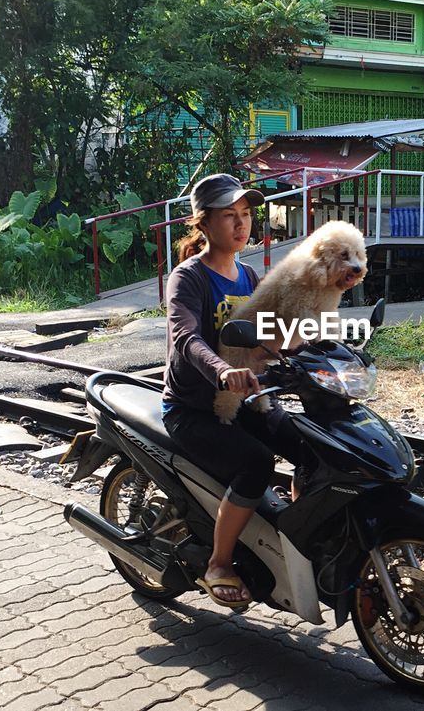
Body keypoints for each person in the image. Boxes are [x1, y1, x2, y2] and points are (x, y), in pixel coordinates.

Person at [161, 173, 298, 609]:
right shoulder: (188, 278)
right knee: (256, 462)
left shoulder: (248, 273)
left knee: (309, 439)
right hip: (193, 410)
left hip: (243, 400)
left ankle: (297, 537)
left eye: (246, 215)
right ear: (203, 223)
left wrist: (326, 346)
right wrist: (222, 371)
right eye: (229, 216)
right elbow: (186, 338)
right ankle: (219, 562)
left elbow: (271, 331)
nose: (242, 225)